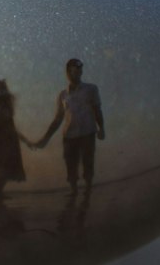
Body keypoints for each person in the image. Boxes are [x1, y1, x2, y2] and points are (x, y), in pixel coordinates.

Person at [29, 58, 105, 192]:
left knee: (88, 164)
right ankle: (74, 193)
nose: (77, 72)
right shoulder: (63, 95)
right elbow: (58, 119)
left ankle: (88, 193)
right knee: (71, 167)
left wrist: (102, 128)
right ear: (68, 72)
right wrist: (45, 139)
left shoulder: (91, 89)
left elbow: (97, 109)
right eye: (73, 70)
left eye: (79, 69)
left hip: (88, 133)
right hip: (69, 135)